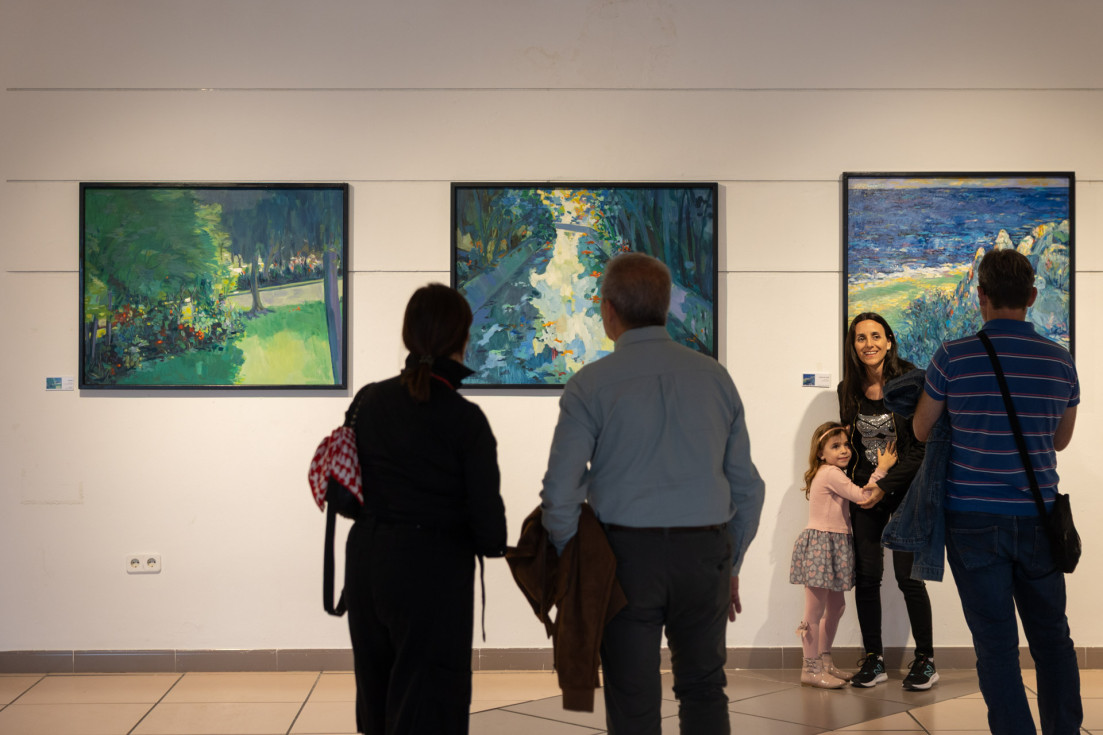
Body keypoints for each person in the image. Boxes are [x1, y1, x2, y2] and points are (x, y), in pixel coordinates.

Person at [540, 252, 765, 735]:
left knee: (632, 700)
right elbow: (748, 488)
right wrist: (732, 562)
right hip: (705, 553)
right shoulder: (715, 378)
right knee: (704, 688)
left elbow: (560, 493)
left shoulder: (589, 385)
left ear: (608, 312)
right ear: (666, 309)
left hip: (624, 560)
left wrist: (575, 558)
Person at [912, 248, 1081, 735]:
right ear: (1032, 296)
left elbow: (922, 429)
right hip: (1039, 517)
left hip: (972, 520)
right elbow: (1060, 440)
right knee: (1052, 639)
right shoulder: (1060, 360)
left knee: (995, 646)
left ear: (980, 295)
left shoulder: (952, 356)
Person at [342, 283, 508, 735]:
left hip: (367, 560)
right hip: (432, 570)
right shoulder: (465, 420)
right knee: (429, 701)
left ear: (408, 336)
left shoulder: (368, 400)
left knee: (376, 695)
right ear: (462, 339)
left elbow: (349, 490)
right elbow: (489, 527)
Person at [838, 312, 936, 690]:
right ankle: (874, 659)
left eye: (876, 336)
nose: (869, 344)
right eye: (861, 338)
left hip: (908, 491)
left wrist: (886, 485)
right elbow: (850, 446)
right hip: (867, 493)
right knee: (867, 577)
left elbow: (921, 447)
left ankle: (925, 660)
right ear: (853, 345)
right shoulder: (847, 389)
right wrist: (853, 489)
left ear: (890, 340)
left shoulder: (912, 381)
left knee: (908, 578)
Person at [791, 422, 895, 688]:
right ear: (820, 453)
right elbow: (862, 496)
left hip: (835, 544)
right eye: (835, 446)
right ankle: (810, 668)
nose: (844, 450)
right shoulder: (830, 473)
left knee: (836, 607)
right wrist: (882, 469)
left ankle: (824, 662)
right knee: (813, 612)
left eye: (846, 444)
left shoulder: (832, 472)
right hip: (822, 545)